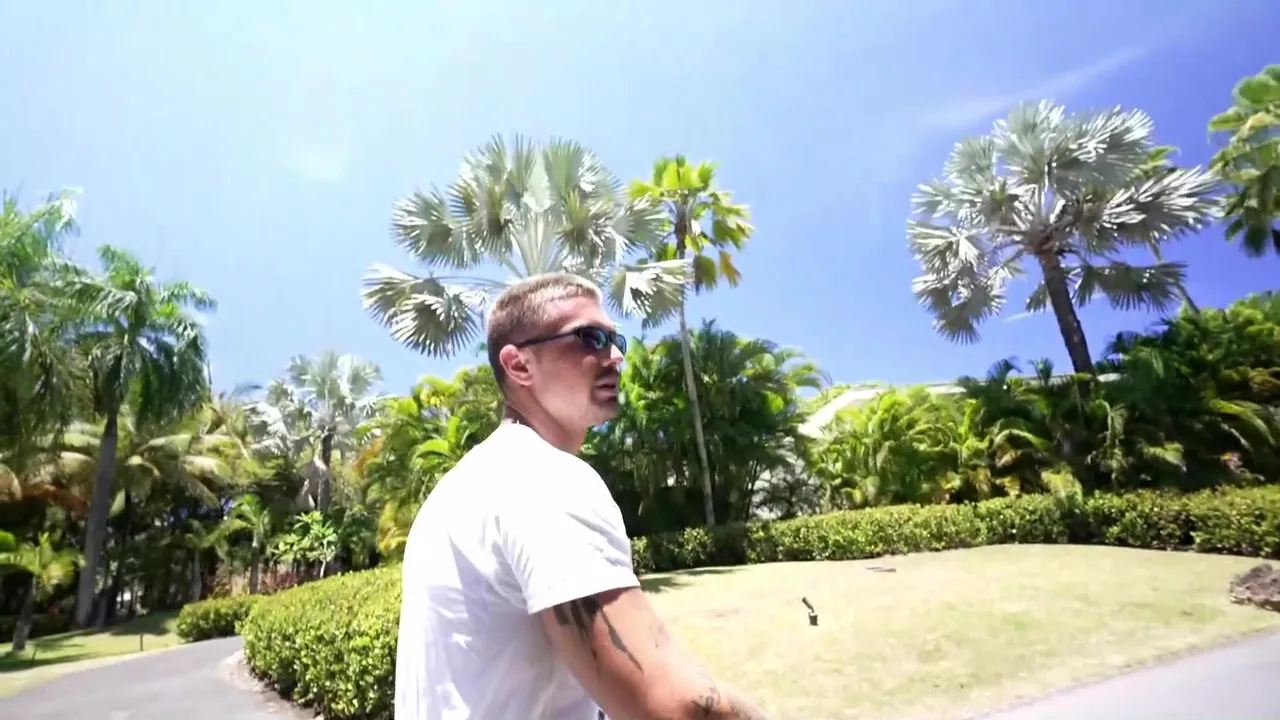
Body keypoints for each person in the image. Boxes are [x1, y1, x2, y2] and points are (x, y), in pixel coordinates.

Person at [394, 272, 768, 720]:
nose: (616, 356)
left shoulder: (455, 493)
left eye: (615, 340)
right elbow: (677, 708)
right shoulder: (542, 477)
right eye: (590, 338)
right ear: (519, 365)